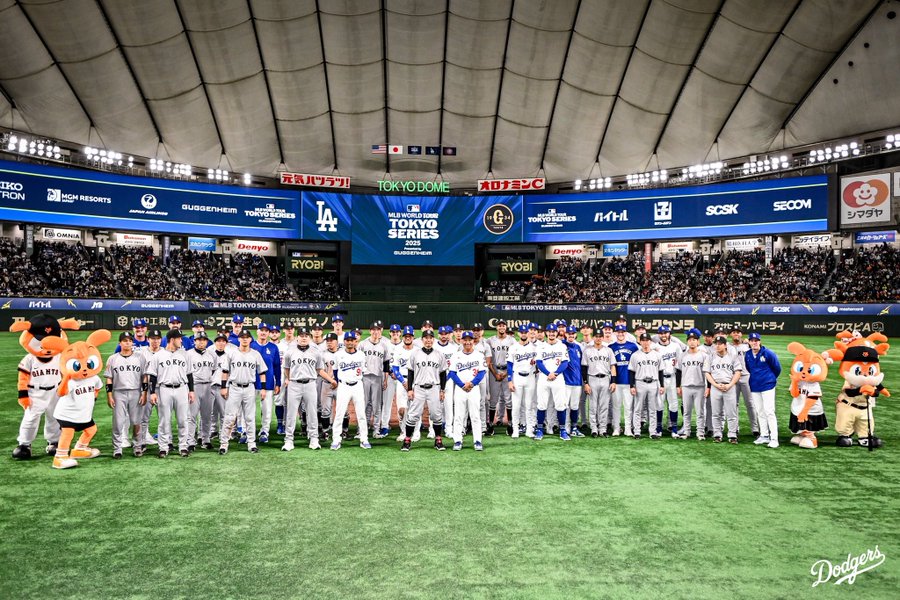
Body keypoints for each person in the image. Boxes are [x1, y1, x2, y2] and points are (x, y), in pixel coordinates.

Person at [282, 327, 336, 451]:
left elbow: (319, 370)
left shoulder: (316, 352)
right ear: (297, 337)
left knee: (312, 412)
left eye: (306, 335)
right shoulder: (290, 352)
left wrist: (331, 380)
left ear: (309, 337)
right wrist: (290, 379)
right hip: (294, 384)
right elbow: (286, 369)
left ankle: (314, 439)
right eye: (301, 335)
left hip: (310, 383)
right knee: (291, 413)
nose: (304, 337)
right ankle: (289, 440)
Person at [146, 330, 195, 458]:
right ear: (172, 339)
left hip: (182, 389)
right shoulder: (158, 356)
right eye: (179, 338)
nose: (181, 340)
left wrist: (191, 390)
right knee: (164, 420)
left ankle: (183, 446)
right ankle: (163, 447)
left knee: (183, 420)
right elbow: (152, 376)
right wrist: (152, 393)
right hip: (164, 389)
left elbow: (189, 374)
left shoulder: (185, 354)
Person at [219, 330, 267, 455]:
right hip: (234, 387)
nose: (245, 339)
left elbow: (262, 373)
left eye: (247, 337)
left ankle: (252, 444)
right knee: (229, 417)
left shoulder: (255, 354)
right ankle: (224, 444)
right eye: (242, 337)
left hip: (249, 388)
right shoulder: (231, 353)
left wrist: (263, 388)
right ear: (239, 339)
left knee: (250, 417)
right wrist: (223, 387)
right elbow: (225, 371)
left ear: (251, 339)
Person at [402, 330, 447, 451]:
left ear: (433, 339)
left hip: (434, 388)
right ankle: (407, 440)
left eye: (430, 338)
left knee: (436, 415)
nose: (428, 340)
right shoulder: (415, 354)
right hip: (418, 388)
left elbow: (443, 374)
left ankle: (438, 439)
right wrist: (410, 389)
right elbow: (410, 372)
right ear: (422, 340)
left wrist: (442, 390)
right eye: (426, 338)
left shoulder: (439, 354)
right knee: (413, 415)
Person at [330, 331, 371, 450]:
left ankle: (364, 439)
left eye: (352, 340)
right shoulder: (338, 355)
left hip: (358, 385)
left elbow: (362, 371)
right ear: (344, 342)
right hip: (343, 386)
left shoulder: (361, 355)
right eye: (347, 340)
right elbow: (336, 371)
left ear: (355, 341)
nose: (350, 342)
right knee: (339, 414)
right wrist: (340, 382)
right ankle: (336, 439)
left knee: (361, 414)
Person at [106, 332, 143, 458]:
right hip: (118, 393)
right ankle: (117, 448)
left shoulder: (140, 358)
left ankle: (137, 446)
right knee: (118, 422)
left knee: (136, 421)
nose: (128, 342)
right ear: (119, 343)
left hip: (136, 392)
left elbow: (145, 377)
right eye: (125, 340)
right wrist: (109, 395)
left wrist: (144, 392)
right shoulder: (112, 359)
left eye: (130, 340)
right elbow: (109, 378)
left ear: (132, 343)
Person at [448, 331, 486, 451]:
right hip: (460, 389)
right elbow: (452, 373)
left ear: (473, 341)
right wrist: (462, 385)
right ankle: (458, 440)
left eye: (470, 340)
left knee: (475, 416)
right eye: (465, 340)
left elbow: (482, 372)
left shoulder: (479, 355)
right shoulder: (456, 355)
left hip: (474, 389)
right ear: (461, 341)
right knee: (458, 416)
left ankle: (477, 440)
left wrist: (472, 383)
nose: (467, 342)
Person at [744, 332, 781, 448]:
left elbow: (777, 368)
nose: (754, 342)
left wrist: (770, 379)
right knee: (759, 411)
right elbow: (748, 368)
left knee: (769, 411)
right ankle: (764, 435)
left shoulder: (768, 353)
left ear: (760, 341)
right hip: (755, 385)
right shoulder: (748, 354)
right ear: (749, 342)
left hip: (767, 385)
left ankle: (774, 438)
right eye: (752, 340)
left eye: (756, 340)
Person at [704, 335, 743, 444]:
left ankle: (732, 435)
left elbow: (738, 372)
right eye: (716, 344)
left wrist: (730, 384)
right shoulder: (710, 357)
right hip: (716, 387)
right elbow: (707, 373)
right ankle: (717, 434)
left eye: (720, 344)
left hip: (729, 387)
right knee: (716, 413)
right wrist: (715, 385)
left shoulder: (733, 356)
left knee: (732, 413)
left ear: (725, 345)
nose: (717, 346)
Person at [535, 322, 570, 441]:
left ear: (556, 333)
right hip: (544, 378)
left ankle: (562, 430)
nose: (551, 333)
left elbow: (565, 362)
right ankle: (539, 429)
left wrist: (555, 373)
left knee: (561, 405)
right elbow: (539, 362)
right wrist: (548, 373)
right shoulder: (541, 346)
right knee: (541, 404)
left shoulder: (562, 346)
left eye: (553, 331)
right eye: (549, 331)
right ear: (546, 333)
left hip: (558, 378)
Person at [628, 334, 664, 439]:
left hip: (653, 383)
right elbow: (631, 372)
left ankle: (652, 432)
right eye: (643, 340)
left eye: (647, 340)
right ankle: (637, 431)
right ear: (640, 342)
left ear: (650, 342)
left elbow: (660, 371)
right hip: (640, 382)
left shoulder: (657, 355)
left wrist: (661, 385)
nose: (645, 342)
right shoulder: (635, 355)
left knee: (652, 409)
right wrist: (632, 386)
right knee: (638, 408)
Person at [360, 322, 392, 438]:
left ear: (381, 331)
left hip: (378, 377)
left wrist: (385, 379)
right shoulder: (362, 344)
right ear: (370, 331)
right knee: (363, 404)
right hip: (364, 377)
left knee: (377, 405)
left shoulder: (384, 346)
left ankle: (376, 430)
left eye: (378, 329)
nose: (375, 332)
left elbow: (386, 364)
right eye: (373, 329)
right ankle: (362, 430)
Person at [251, 323, 281, 445]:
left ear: (269, 333)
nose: (263, 333)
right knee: (248, 409)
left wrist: (278, 382)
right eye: (261, 330)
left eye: (265, 331)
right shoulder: (251, 345)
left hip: (268, 383)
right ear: (257, 332)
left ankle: (265, 431)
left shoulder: (273, 347)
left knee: (267, 409)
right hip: (251, 383)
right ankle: (248, 432)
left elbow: (277, 366)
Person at [581, 330, 616, 437]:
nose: (598, 338)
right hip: (592, 378)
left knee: (604, 405)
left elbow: (613, 366)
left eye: (600, 336)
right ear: (593, 337)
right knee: (592, 405)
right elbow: (584, 368)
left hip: (606, 378)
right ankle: (594, 429)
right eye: (596, 336)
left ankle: (603, 429)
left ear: (603, 337)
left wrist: (613, 381)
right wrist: (586, 383)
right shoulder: (587, 351)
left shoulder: (608, 350)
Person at [675, 329, 708, 440]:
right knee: (686, 411)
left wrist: (708, 387)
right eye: (690, 340)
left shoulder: (704, 355)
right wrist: (678, 386)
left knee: (700, 412)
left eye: (694, 340)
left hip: (700, 386)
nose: (692, 342)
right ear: (687, 342)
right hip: (686, 386)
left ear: (698, 342)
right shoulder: (682, 355)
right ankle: (687, 432)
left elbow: (707, 372)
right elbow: (678, 371)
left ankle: (700, 432)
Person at [186, 331, 216, 452]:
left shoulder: (212, 354)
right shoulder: (188, 354)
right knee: (191, 416)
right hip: (194, 387)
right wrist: (190, 389)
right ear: (194, 341)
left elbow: (213, 370)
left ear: (207, 341)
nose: (201, 342)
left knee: (207, 416)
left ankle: (205, 440)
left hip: (208, 386)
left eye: (203, 340)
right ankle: (190, 441)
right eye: (199, 340)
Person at [507, 324, 538, 439]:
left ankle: (529, 429)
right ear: (519, 333)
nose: (524, 334)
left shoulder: (535, 348)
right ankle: (515, 429)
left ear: (528, 333)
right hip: (517, 377)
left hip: (530, 377)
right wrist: (510, 381)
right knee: (516, 405)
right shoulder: (513, 347)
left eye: (526, 332)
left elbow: (538, 362)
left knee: (529, 405)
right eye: (522, 332)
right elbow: (509, 365)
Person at [609, 324, 639, 436]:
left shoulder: (633, 346)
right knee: (616, 407)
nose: (620, 334)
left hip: (628, 382)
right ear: (615, 333)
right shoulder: (611, 347)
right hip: (616, 382)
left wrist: (634, 383)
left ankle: (628, 429)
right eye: (618, 332)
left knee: (628, 407)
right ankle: (616, 428)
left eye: (622, 332)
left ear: (625, 333)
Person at [729, 326, 758, 437]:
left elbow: (759, 349)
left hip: (746, 377)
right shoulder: (727, 346)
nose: (736, 334)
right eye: (734, 332)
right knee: (733, 404)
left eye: (738, 332)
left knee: (750, 403)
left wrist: (749, 343)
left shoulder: (747, 346)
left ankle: (755, 428)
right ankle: (735, 428)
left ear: (742, 334)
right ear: (731, 334)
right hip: (733, 377)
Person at [487, 319, 513, 435]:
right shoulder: (490, 341)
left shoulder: (512, 341)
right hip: (494, 371)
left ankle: (510, 425)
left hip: (507, 371)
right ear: (496, 328)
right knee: (493, 400)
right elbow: (488, 359)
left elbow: (514, 359)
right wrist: (495, 373)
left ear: (506, 327)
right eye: (499, 325)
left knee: (509, 399)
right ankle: (491, 425)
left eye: (503, 325)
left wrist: (507, 373)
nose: (501, 327)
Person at [656, 325, 682, 436]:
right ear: (658, 335)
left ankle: (674, 429)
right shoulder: (655, 347)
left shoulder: (676, 347)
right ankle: (658, 429)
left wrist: (678, 384)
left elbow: (680, 366)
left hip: (672, 377)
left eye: (666, 333)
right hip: (659, 379)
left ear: (669, 334)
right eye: (661, 333)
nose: (663, 335)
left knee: (673, 404)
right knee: (659, 404)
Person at [391, 326, 416, 442]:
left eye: (409, 336)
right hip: (401, 382)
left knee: (415, 408)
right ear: (403, 337)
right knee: (401, 409)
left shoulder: (417, 351)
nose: (407, 338)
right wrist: (403, 381)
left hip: (415, 382)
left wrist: (411, 382)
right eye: (406, 336)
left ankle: (416, 432)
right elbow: (395, 369)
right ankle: (403, 431)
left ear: (413, 337)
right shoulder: (398, 351)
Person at [207, 331, 231, 449]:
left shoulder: (230, 355)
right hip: (210, 386)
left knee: (224, 413)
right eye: (218, 341)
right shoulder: (209, 354)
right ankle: (210, 432)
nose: (221, 343)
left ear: (226, 343)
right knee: (210, 412)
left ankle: (224, 435)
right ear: (215, 343)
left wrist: (226, 386)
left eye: (223, 341)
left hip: (224, 387)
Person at [436, 325, 459, 438]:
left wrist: (447, 378)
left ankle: (449, 429)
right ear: (438, 334)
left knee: (448, 405)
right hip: (435, 379)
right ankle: (432, 429)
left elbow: (454, 366)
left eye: (445, 334)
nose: (444, 336)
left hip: (449, 378)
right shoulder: (434, 347)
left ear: (448, 335)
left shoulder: (453, 348)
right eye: (442, 334)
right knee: (435, 405)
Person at [561, 325, 585, 437]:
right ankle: (565, 428)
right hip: (566, 381)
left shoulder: (578, 347)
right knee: (564, 405)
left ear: (575, 335)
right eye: (569, 333)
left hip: (577, 381)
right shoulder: (561, 345)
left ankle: (574, 427)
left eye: (572, 334)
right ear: (565, 334)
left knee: (575, 406)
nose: (571, 335)